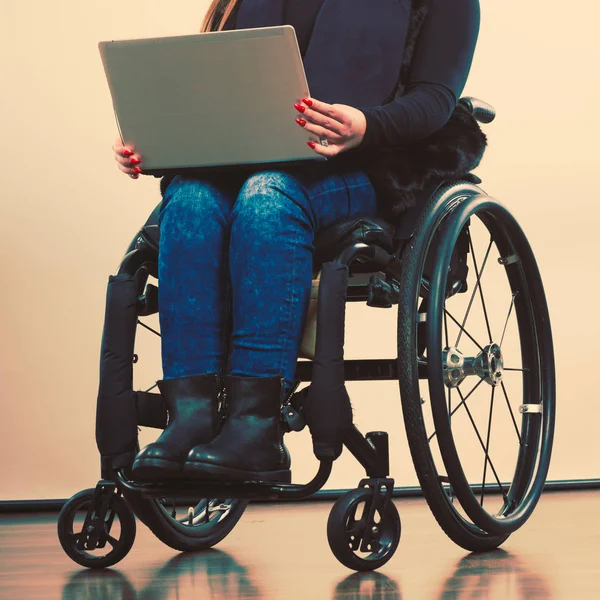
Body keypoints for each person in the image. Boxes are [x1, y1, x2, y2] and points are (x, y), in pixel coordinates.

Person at [113, 0, 481, 484]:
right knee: (189, 202)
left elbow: (436, 98)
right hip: (244, 161)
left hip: (367, 167)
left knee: (269, 196)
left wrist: (368, 125)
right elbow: (212, 94)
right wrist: (158, 141)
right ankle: (191, 418)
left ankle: (255, 424)